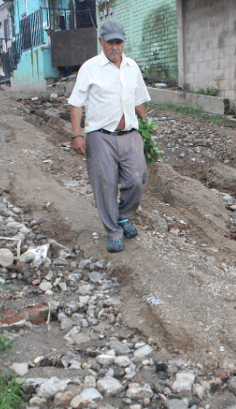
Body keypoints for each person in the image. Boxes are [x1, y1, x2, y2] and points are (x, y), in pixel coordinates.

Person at [68, 20, 151, 253]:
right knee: (104, 184)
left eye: (119, 42)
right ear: (101, 41)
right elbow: (76, 104)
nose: (115, 46)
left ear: (124, 42)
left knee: (137, 178)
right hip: (100, 136)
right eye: (110, 42)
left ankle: (123, 216)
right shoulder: (90, 68)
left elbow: (138, 100)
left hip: (131, 134)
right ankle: (113, 231)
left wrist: (147, 126)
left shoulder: (132, 67)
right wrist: (77, 134)